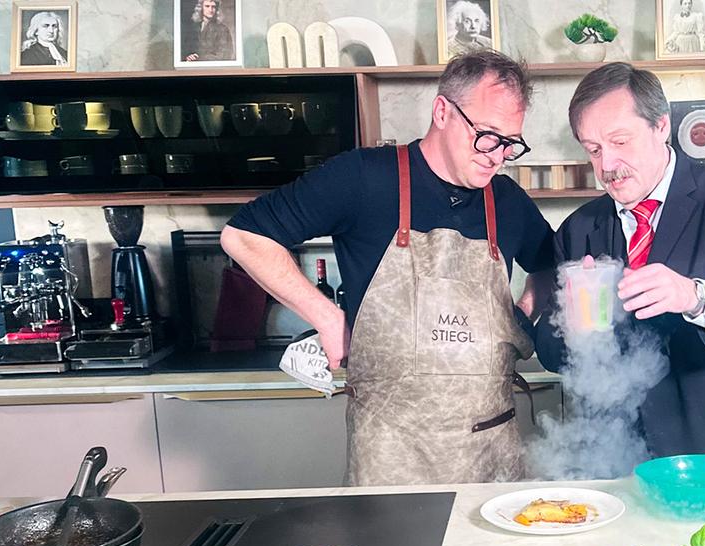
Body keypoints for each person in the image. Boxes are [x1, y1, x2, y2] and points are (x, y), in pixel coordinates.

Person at [221, 51, 555, 486]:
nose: (498, 156)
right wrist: (326, 317)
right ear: (442, 112)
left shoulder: (507, 201)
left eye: (511, 142)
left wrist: (521, 319)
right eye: (488, 136)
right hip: (390, 453)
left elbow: (553, 267)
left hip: (490, 451)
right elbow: (244, 236)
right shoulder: (363, 178)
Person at [534, 63, 705, 468]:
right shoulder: (579, 229)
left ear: (661, 126)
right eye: (593, 149)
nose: (607, 165)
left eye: (619, 141)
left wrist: (693, 296)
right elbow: (552, 354)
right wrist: (574, 326)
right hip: (625, 456)